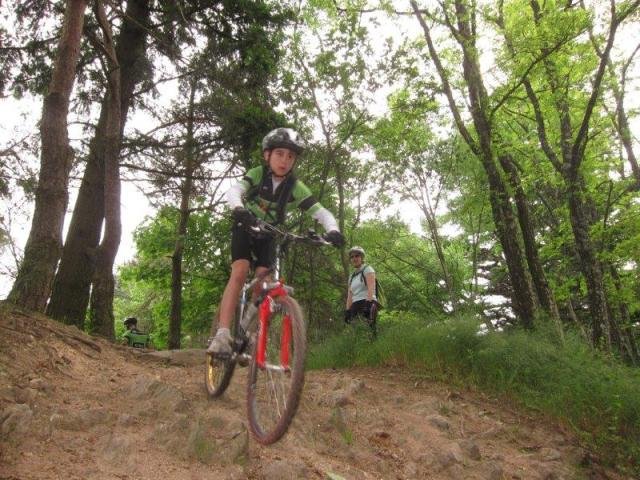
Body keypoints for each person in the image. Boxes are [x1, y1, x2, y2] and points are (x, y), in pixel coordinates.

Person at [207, 127, 345, 355]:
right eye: (280, 153)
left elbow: (322, 212)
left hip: (269, 234)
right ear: (267, 155)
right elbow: (234, 191)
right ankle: (222, 334)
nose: (285, 160)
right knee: (240, 272)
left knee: (264, 284)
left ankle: (249, 334)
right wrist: (239, 208)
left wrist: (333, 230)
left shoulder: (295, 188)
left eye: (291, 156)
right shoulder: (258, 174)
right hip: (245, 226)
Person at [344, 246, 378, 338]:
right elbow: (349, 295)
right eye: (352, 257)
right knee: (356, 334)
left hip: (368, 303)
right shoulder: (351, 276)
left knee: (369, 332)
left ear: (361, 257)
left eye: (357, 256)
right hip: (355, 305)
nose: (354, 258)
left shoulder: (368, 269)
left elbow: (371, 287)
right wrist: (347, 311)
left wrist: (368, 304)